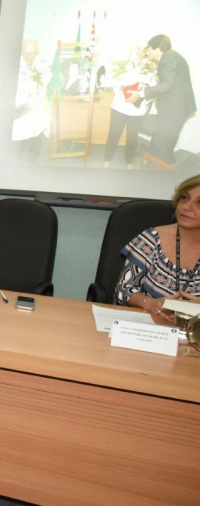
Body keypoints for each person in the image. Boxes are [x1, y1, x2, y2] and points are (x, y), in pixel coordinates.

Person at [115, 174, 200, 324]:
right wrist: (151, 304)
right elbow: (123, 290)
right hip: (150, 330)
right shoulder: (151, 239)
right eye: (184, 198)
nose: (186, 207)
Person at [128, 35, 196, 166]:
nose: (149, 53)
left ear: (159, 49)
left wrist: (142, 94)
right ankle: (162, 160)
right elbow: (169, 84)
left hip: (176, 108)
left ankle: (163, 169)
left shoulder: (168, 57)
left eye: (150, 49)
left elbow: (166, 85)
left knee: (165, 143)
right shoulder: (171, 57)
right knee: (165, 140)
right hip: (177, 107)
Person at [102, 50, 156, 169]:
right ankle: (107, 159)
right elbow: (115, 83)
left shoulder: (153, 73)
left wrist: (142, 93)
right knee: (114, 134)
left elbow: (153, 93)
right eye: (143, 56)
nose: (146, 59)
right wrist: (121, 89)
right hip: (120, 107)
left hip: (137, 111)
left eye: (148, 57)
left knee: (132, 137)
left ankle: (129, 160)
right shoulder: (127, 67)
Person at [13, 39, 51, 163]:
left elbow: (43, 87)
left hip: (37, 104)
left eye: (32, 53)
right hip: (19, 104)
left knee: (35, 135)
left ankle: (32, 162)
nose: (29, 57)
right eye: (26, 54)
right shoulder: (15, 63)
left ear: (37, 52)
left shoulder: (43, 63)